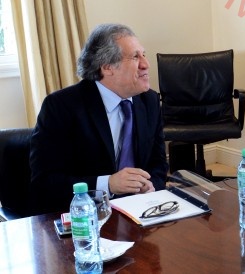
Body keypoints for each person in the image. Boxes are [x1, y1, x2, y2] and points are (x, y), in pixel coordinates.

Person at [30, 24, 168, 214]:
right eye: (135, 57)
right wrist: (108, 184)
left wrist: (151, 187)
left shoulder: (149, 101)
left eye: (143, 55)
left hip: (141, 211)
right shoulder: (61, 106)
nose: (146, 64)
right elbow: (45, 182)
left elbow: (158, 164)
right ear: (107, 67)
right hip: (85, 216)